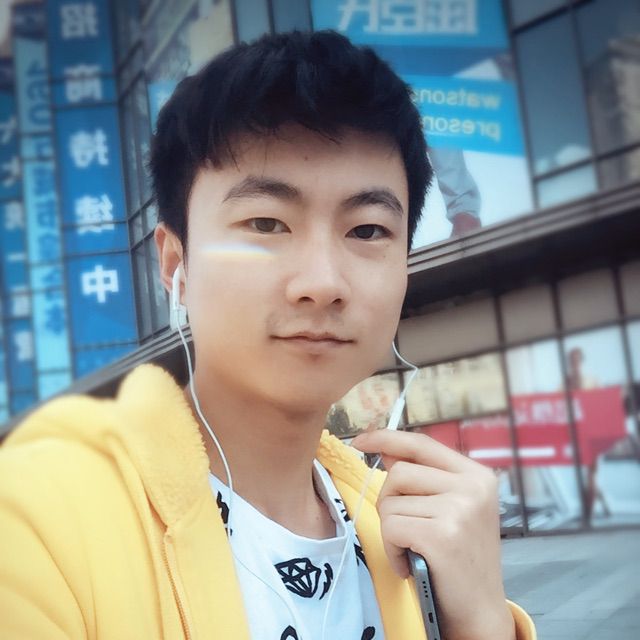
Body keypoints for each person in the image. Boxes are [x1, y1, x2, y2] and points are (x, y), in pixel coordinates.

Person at [0, 31, 535, 639]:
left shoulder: (402, 532)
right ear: (175, 263)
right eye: (265, 223)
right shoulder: (40, 520)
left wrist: (483, 622)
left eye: (366, 231)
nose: (322, 283)